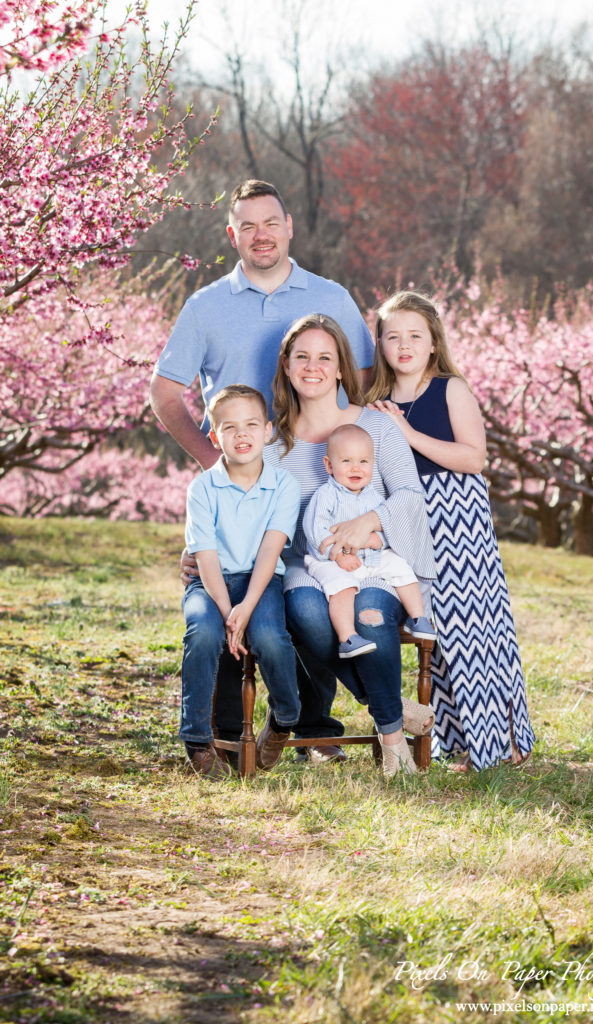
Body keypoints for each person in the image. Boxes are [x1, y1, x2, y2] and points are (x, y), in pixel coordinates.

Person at [150, 179, 375, 762]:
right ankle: (227, 734)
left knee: (307, 594)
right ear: (232, 235)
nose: (261, 235)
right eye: (247, 225)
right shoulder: (206, 306)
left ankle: (312, 728)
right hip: (236, 492)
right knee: (234, 594)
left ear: (290, 225)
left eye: (270, 222)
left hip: (318, 477)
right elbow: (164, 391)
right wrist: (213, 462)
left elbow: (368, 380)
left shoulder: (331, 297)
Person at [262, 312, 437, 776]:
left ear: (342, 367)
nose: (313, 366)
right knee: (310, 619)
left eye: (326, 357)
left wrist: (370, 521)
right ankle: (394, 713)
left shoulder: (376, 427)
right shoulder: (270, 445)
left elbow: (409, 494)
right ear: (286, 365)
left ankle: (393, 740)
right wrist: (193, 547)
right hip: (310, 568)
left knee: (370, 615)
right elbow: (238, 501)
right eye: (303, 357)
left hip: (377, 563)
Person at [367, 291, 535, 772]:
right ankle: (458, 744)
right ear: (380, 343)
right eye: (393, 336)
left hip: (458, 518)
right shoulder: (376, 402)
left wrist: (410, 435)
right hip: (406, 517)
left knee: (476, 629)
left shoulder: (450, 388)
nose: (404, 345)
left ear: (433, 343)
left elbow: (473, 458)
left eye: (414, 336)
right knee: (433, 634)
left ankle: (504, 740)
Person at [181, 385, 302, 778]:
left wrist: (246, 608)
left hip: (260, 582)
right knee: (202, 634)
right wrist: (226, 613)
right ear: (215, 437)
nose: (242, 435)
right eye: (229, 428)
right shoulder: (202, 488)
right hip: (210, 584)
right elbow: (206, 557)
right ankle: (198, 740)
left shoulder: (284, 485)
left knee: (269, 637)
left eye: (251, 425)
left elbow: (270, 552)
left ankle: (284, 718)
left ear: (268, 431)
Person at [303, 423, 436, 658]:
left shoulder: (373, 496)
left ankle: (418, 618)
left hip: (369, 558)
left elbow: (387, 527)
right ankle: (347, 638)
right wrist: (339, 555)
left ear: (373, 465)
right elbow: (316, 532)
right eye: (346, 461)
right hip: (331, 562)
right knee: (341, 588)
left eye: (364, 461)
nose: (356, 468)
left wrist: (377, 539)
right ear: (329, 465)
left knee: (401, 567)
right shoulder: (326, 495)